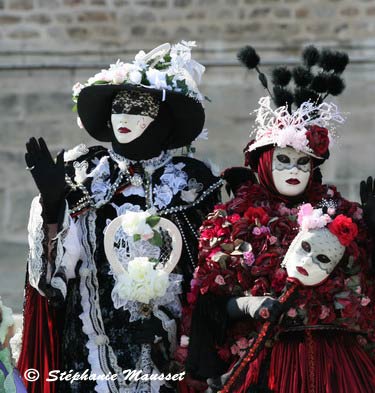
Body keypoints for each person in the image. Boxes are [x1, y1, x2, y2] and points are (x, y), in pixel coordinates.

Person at [181, 45, 375, 393]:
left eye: (303, 162)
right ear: (262, 162)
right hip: (267, 363)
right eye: (284, 160)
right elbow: (210, 304)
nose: (293, 170)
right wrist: (248, 304)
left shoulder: (340, 212)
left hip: (339, 365)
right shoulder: (232, 218)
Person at [18, 42, 222, 393]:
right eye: (118, 108)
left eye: (138, 108)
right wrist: (53, 207)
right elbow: (55, 279)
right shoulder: (84, 175)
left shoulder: (191, 182)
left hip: (169, 343)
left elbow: (206, 271)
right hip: (91, 340)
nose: (124, 117)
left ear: (162, 118)